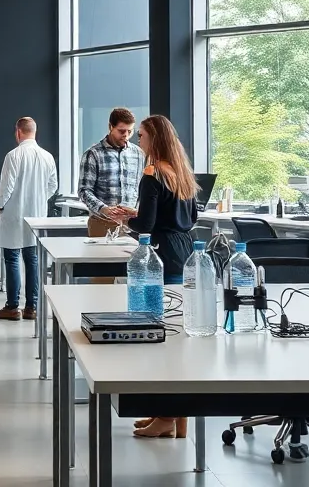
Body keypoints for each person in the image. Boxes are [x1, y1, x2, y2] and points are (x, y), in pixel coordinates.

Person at [108, 115, 197, 441]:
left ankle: (166, 416)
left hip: (160, 256)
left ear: (154, 139)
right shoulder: (182, 174)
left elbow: (146, 225)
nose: (138, 140)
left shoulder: (151, 172)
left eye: (142, 135)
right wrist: (139, 215)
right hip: (184, 251)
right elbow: (188, 217)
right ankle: (169, 415)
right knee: (176, 339)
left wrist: (129, 217)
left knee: (159, 337)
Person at [0, 117, 58, 322]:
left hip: (14, 214)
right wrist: (37, 199)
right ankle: (32, 307)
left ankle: (12, 306)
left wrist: (0, 206)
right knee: (33, 260)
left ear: (18, 132)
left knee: (12, 259)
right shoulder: (47, 156)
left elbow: (6, 187)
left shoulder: (13, 155)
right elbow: (53, 186)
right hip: (37, 215)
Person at [78, 107, 146, 239]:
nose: (126, 135)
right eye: (121, 131)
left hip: (132, 225)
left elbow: (142, 188)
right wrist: (103, 209)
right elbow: (84, 191)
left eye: (130, 131)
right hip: (101, 223)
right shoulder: (93, 154)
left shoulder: (139, 154)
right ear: (110, 127)